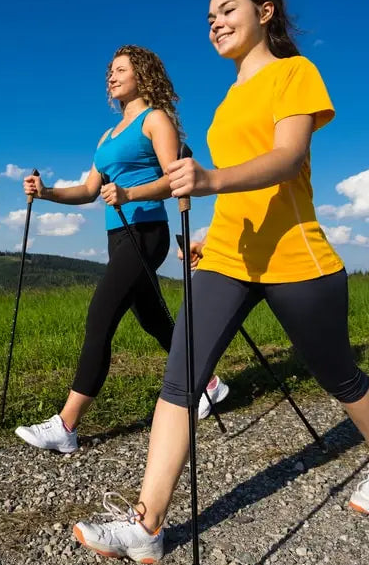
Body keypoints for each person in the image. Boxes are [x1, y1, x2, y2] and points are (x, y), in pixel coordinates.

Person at [72, 0, 369, 564]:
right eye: (209, 18)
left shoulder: (294, 73)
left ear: (266, 11)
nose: (216, 24)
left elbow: (286, 160)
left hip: (294, 256)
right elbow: (239, 189)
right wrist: (211, 226)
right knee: (179, 382)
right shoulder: (229, 98)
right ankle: (147, 524)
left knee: (339, 377)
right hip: (229, 256)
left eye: (228, 10)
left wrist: (207, 179)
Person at [14, 45, 231, 454]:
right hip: (119, 237)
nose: (111, 77)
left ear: (142, 75)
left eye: (120, 70)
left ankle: (67, 425)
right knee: (154, 320)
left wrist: (130, 192)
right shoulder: (107, 136)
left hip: (147, 230)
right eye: (109, 72)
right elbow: (89, 190)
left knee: (100, 318)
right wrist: (46, 193)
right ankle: (210, 384)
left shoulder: (156, 120)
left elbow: (175, 179)